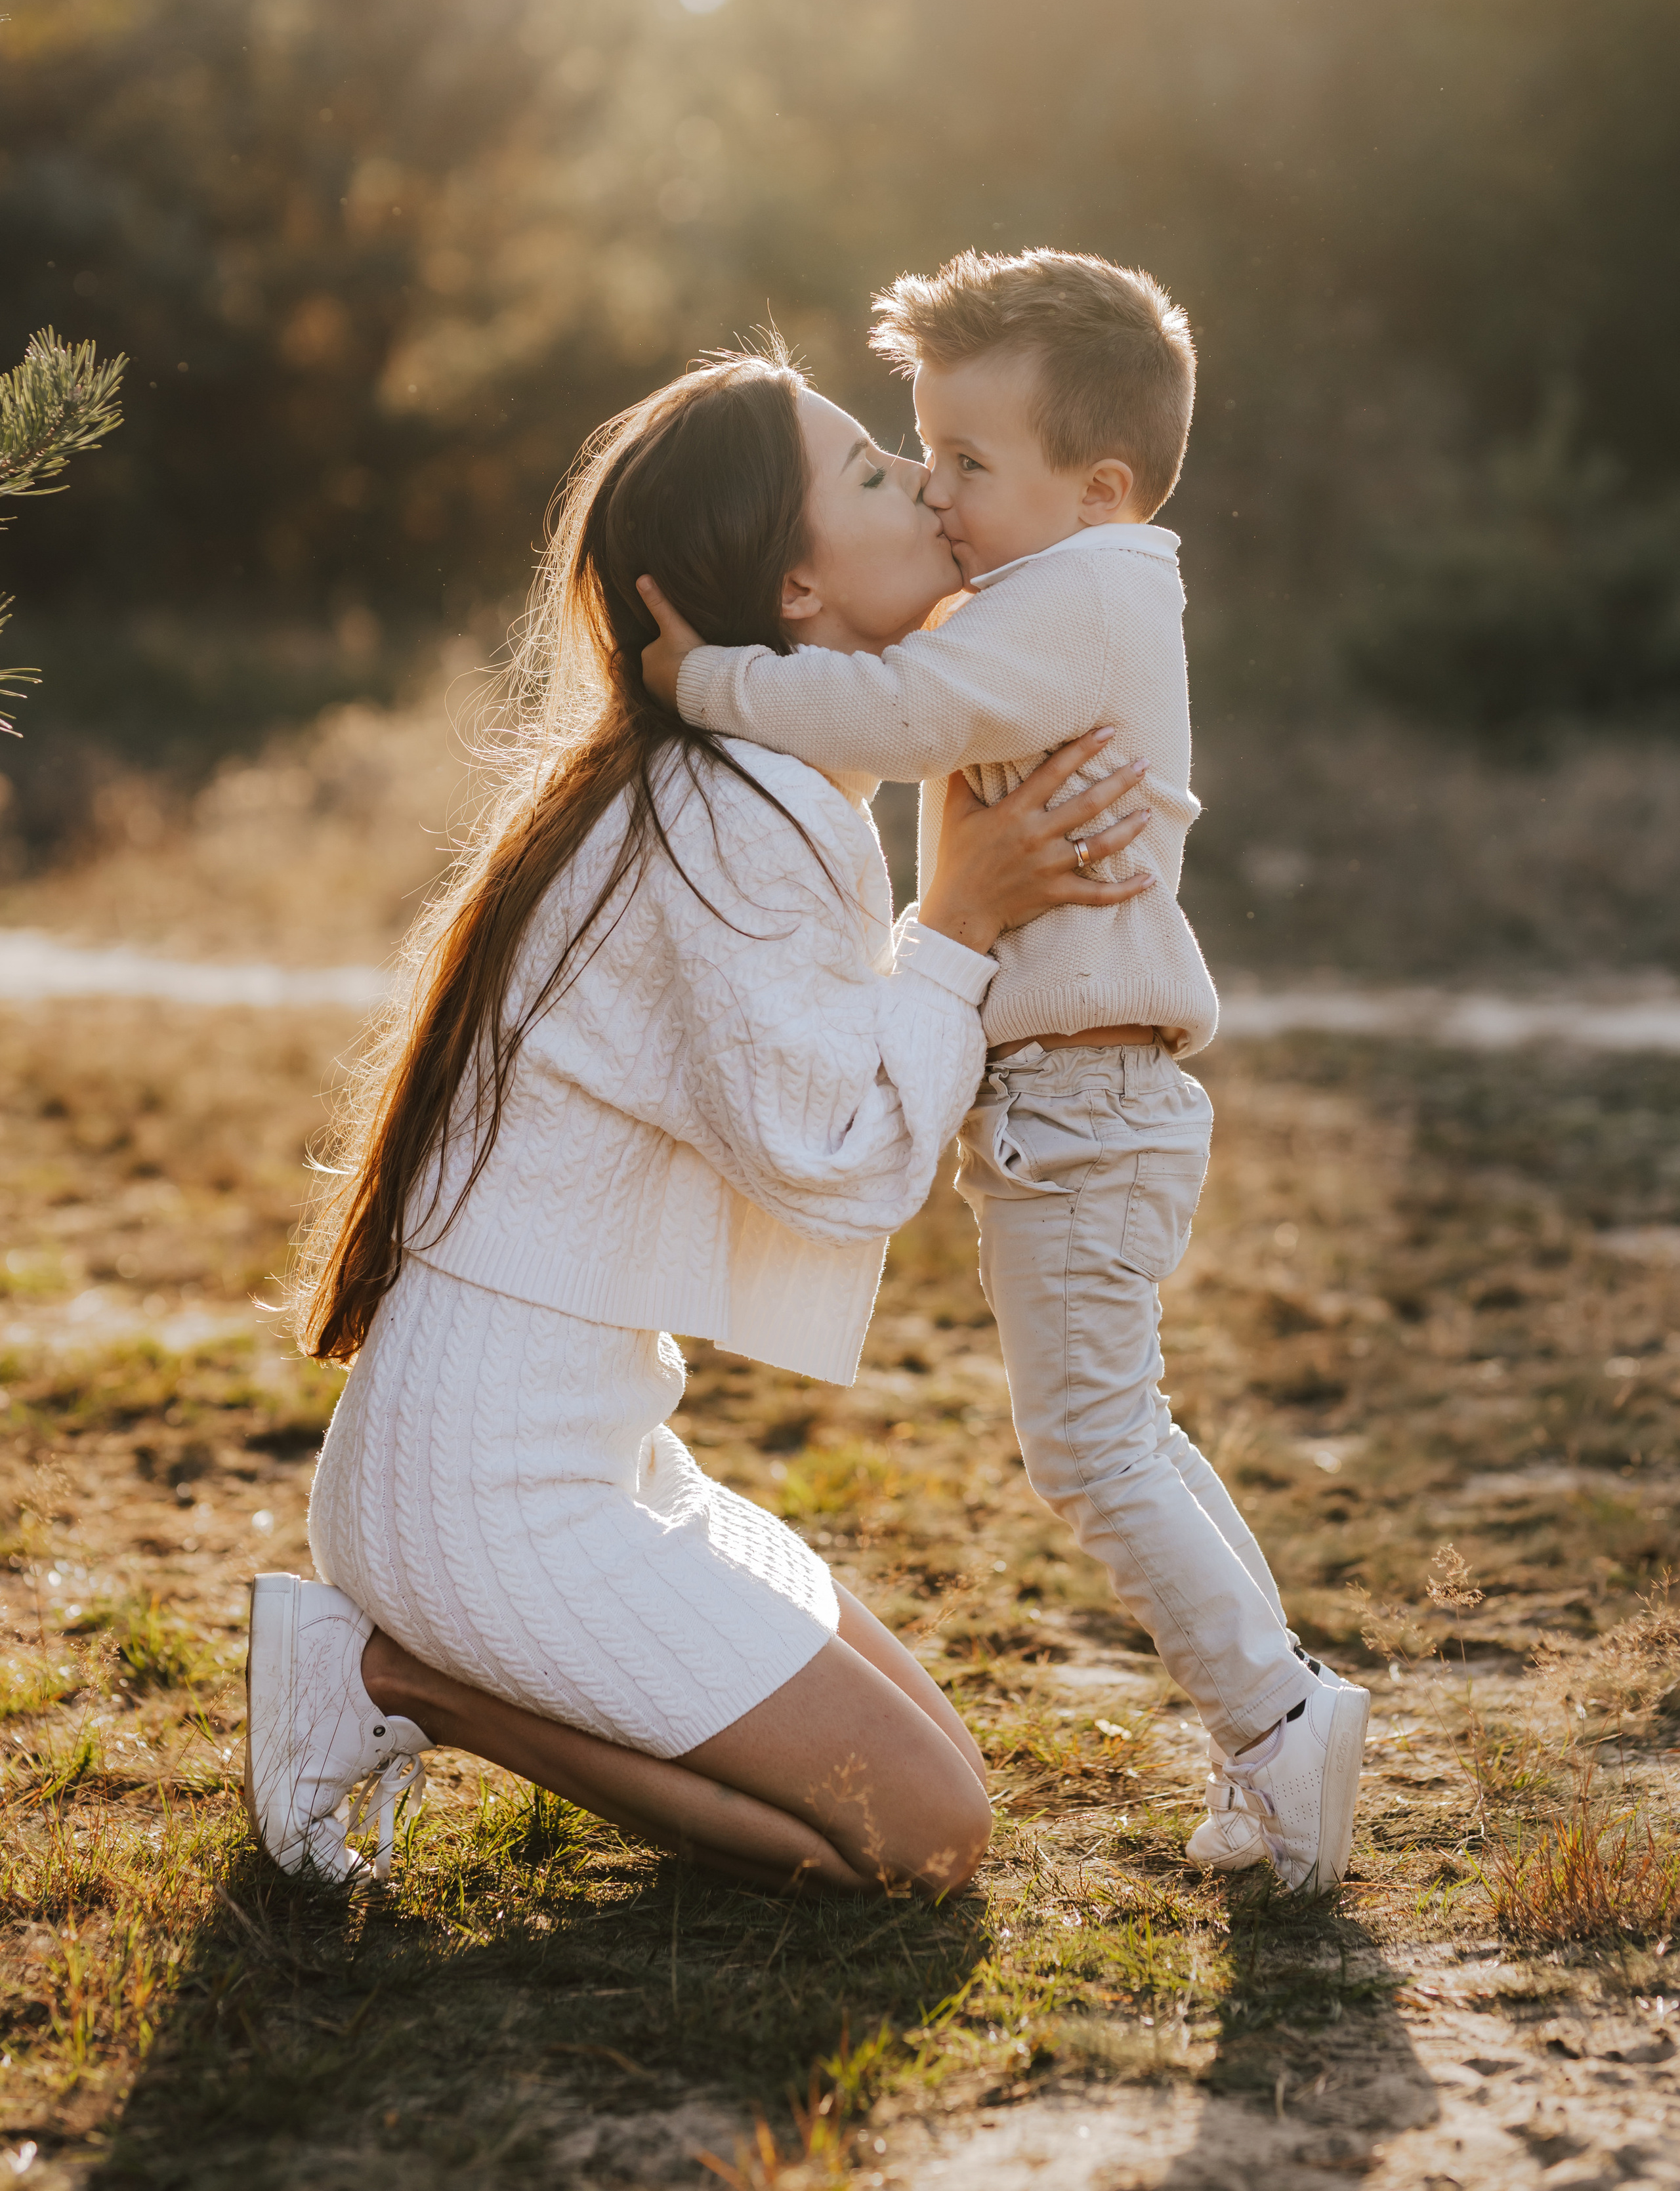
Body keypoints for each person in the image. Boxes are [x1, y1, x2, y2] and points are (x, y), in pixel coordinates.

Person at [245, 342, 1155, 1896]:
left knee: (926, 1765)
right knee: (923, 1842)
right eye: (875, 473)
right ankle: (394, 1682)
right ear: (794, 595)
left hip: (589, 1449)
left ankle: (407, 1657)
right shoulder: (725, 820)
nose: (927, 486)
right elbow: (841, 1164)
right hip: (481, 1491)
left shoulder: (748, 782)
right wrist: (957, 923)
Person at [639, 251, 1371, 1894]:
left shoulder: (1087, 593)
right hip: (1070, 1102)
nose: (939, 497)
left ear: (1096, 484)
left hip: (1087, 1106)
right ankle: (1279, 1719)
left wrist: (699, 681)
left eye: (969, 463)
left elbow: (896, 710)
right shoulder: (1058, 593)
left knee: (1094, 1451)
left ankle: (1274, 1714)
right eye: (924, 453)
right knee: (1115, 1437)